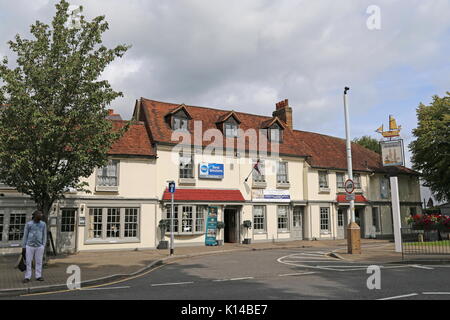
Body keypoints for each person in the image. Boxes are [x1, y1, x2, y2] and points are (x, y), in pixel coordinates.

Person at [21, 210, 47, 283]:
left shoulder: (43, 224)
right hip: (29, 245)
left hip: (39, 246)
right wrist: (23, 246)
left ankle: (38, 276)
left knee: (39, 261)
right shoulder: (29, 224)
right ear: (35, 215)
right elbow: (25, 235)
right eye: (39, 214)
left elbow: (44, 235)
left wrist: (43, 245)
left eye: (41, 214)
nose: (41, 215)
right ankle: (27, 277)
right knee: (28, 262)